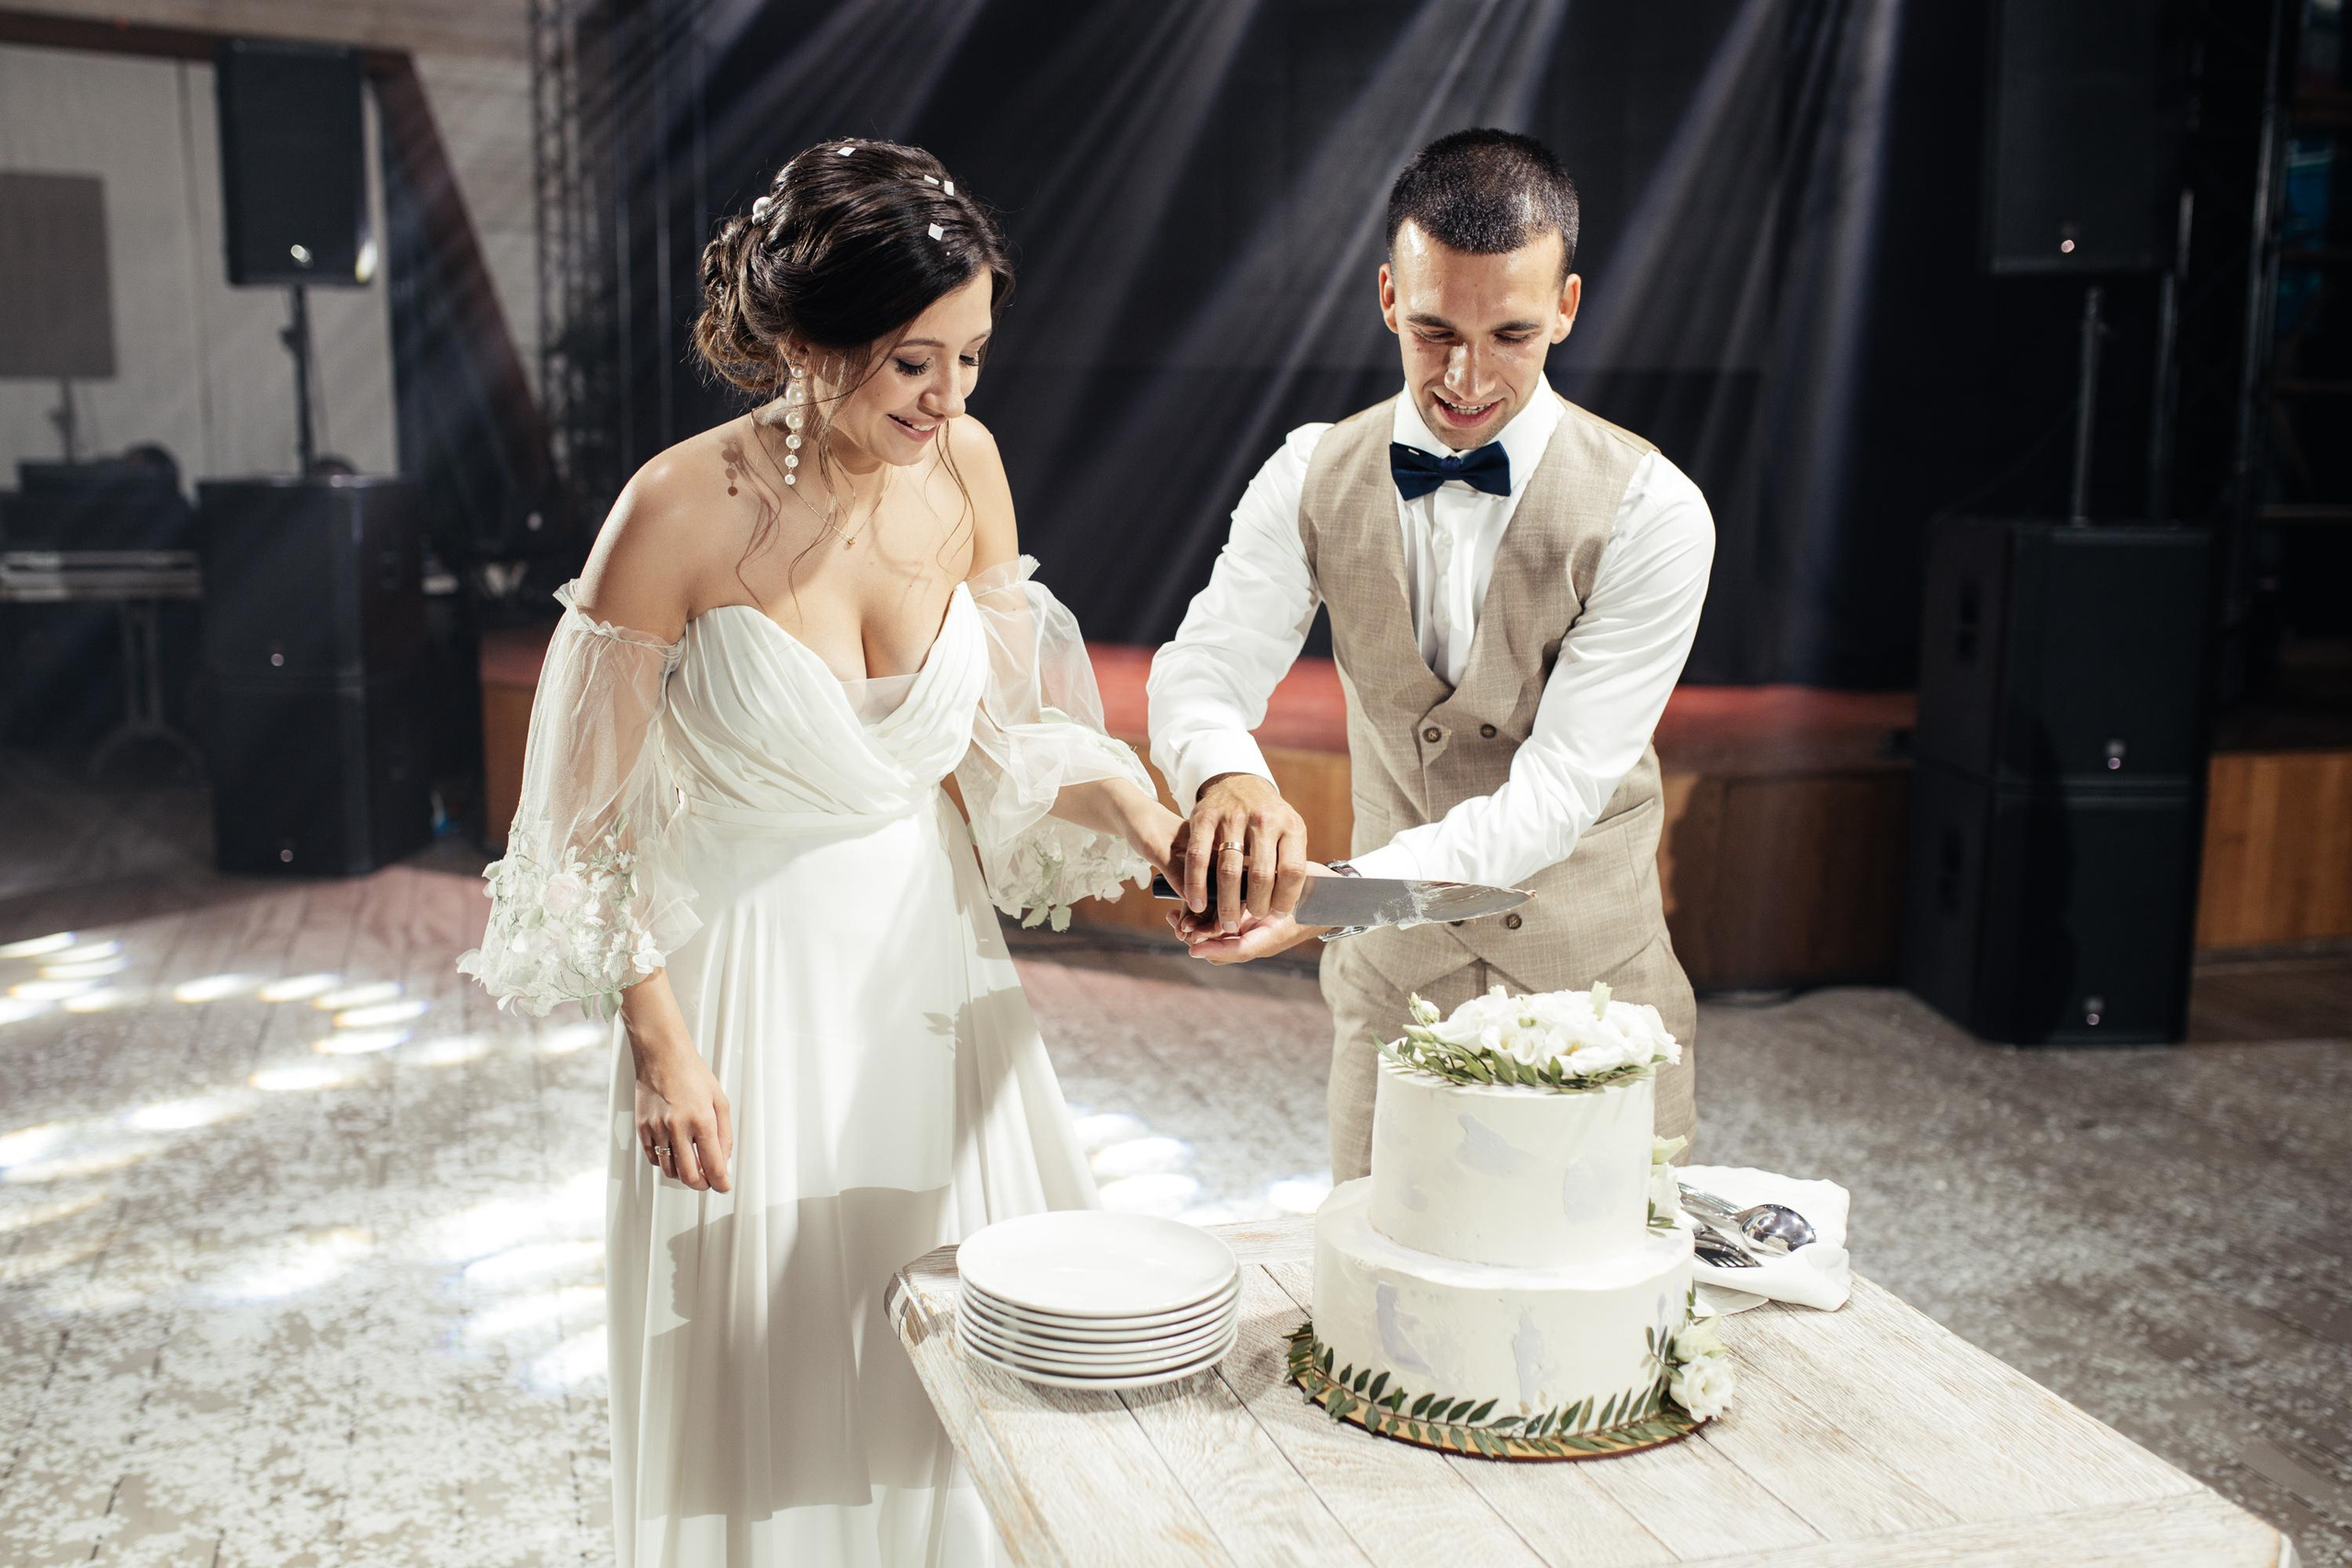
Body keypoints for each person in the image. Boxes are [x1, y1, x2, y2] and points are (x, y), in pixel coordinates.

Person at [458, 139, 1182, 1568]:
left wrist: (1157, 823)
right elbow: (576, 827)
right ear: (801, 340)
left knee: (973, 1336)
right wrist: (661, 1044)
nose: (950, 398)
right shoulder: (674, 511)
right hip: (744, 983)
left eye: (971, 357)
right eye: (914, 362)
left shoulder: (966, 465)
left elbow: (1010, 741)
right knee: (774, 1362)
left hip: (930, 961)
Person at [1147, 129, 1713, 1180]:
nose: (1464, 377)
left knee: (1602, 1318)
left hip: (1594, 990)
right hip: (1393, 996)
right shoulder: (1309, 472)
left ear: (1568, 308)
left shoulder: (1655, 510)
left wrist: (1330, 898)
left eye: (1510, 334)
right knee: (1380, 1315)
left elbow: (1554, 798)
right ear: (1384, 296)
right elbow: (1203, 668)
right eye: (1431, 330)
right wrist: (1227, 777)